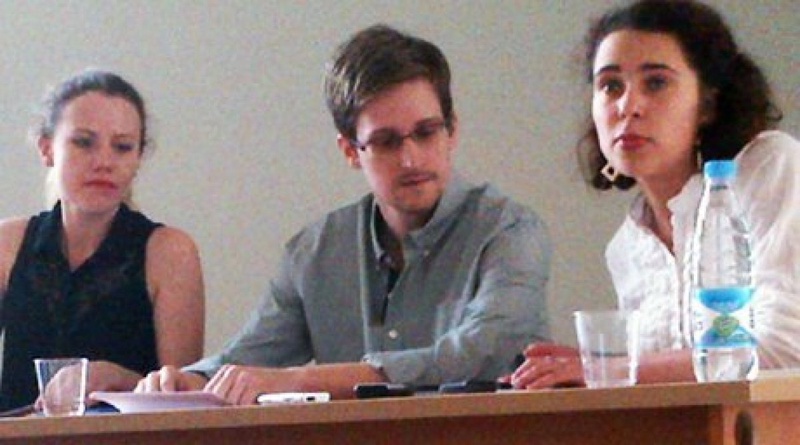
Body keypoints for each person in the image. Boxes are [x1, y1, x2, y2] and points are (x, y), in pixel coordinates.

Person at [137, 24, 552, 403]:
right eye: (386, 141)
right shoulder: (315, 251)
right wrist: (190, 380)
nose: (411, 159)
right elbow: (250, 357)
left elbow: (479, 353)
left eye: (426, 133)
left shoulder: (510, 230)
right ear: (351, 151)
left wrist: (299, 380)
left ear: (452, 131)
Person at [506, 0, 800, 390]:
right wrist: (584, 371)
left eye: (656, 83)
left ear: (707, 104)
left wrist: (614, 369)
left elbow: (786, 348)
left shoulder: (768, 166)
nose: (628, 107)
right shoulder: (625, 247)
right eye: (610, 86)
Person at [0, 70, 205, 410]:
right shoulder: (8, 244)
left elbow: (184, 397)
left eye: (122, 147)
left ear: (138, 158)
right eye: (84, 142)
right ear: (47, 149)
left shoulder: (169, 252)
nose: (104, 162)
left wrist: (119, 379)